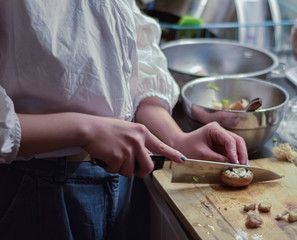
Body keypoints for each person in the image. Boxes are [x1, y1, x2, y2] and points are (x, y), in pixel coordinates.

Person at [0, 0, 248, 239]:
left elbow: (132, 49)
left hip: (123, 179)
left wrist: (175, 139)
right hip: (36, 190)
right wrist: (85, 130)